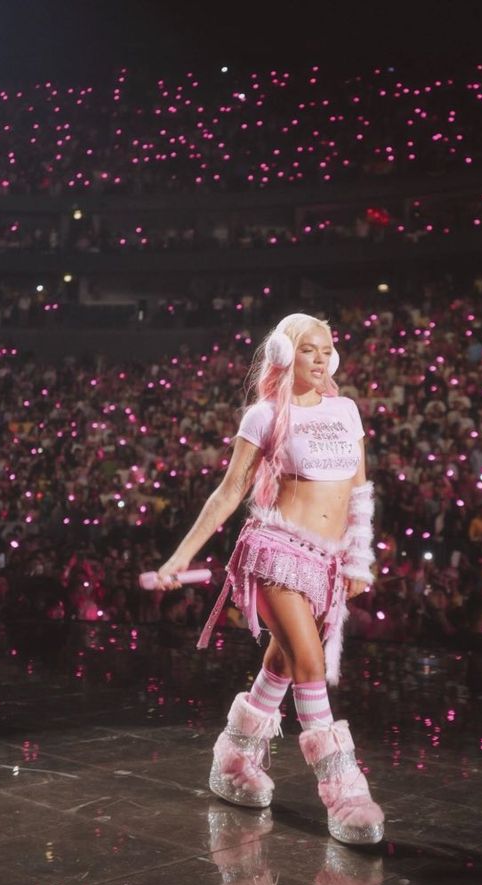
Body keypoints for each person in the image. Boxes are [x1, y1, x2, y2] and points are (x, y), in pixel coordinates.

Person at [156, 312, 384, 845]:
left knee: (282, 659)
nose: (322, 357)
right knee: (307, 661)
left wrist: (357, 560)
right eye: (309, 349)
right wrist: (179, 556)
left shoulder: (346, 410)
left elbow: (360, 492)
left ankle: (234, 759)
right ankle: (343, 790)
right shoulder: (264, 415)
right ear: (285, 354)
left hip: (326, 561)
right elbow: (229, 492)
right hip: (275, 550)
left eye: (328, 348)